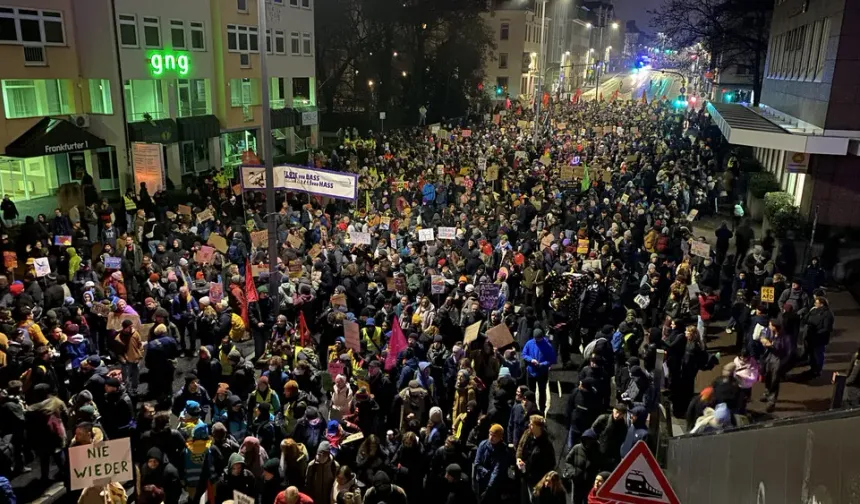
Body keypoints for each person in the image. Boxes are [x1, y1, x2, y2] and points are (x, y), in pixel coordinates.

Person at [522, 329, 556, 412]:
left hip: (542, 372)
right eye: (535, 339)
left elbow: (552, 360)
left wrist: (542, 364)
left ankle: (542, 410)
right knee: (531, 392)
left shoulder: (548, 345)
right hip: (531, 371)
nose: (536, 340)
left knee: (542, 392)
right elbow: (524, 354)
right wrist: (531, 360)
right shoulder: (529, 343)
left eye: (538, 339)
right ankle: (531, 409)